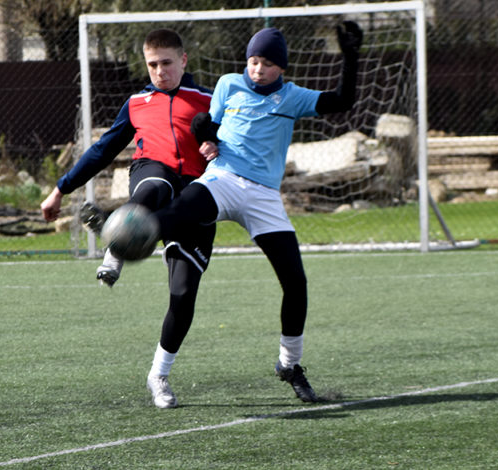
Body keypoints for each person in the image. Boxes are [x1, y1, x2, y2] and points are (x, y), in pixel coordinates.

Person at [124, 21, 363, 404]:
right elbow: (208, 124)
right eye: (253, 61)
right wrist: (206, 138)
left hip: (263, 195)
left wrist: (350, 56)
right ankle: (129, 234)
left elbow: (342, 101)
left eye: (267, 63)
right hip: (224, 178)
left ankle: (290, 364)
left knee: (295, 282)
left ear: (281, 67)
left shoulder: (292, 97)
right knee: (181, 209)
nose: (258, 69)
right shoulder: (228, 85)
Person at [40, 28, 216, 409]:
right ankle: (115, 245)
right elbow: (103, 150)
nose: (160, 71)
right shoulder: (137, 102)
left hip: (197, 196)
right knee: (155, 186)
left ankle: (158, 376)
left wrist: (216, 145)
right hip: (151, 173)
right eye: (152, 65)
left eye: (166, 63)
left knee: (183, 294)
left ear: (183, 60)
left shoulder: (209, 100)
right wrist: (60, 189)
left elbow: (231, 144)